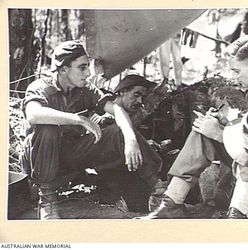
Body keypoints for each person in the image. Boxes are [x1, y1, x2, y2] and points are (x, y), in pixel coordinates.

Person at [140, 34, 248, 219]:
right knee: (203, 130)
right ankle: (170, 204)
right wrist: (223, 123)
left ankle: (237, 214)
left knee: (247, 147)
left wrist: (220, 134)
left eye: (237, 71)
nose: (233, 77)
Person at [20, 40, 165, 220]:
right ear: (63, 69)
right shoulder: (40, 88)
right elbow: (34, 114)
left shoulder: (85, 90)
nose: (88, 73)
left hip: (70, 155)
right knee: (48, 127)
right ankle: (48, 201)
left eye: (88, 67)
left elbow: (116, 108)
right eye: (82, 68)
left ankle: (159, 190)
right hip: (39, 159)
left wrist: (130, 139)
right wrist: (78, 119)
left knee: (117, 131)